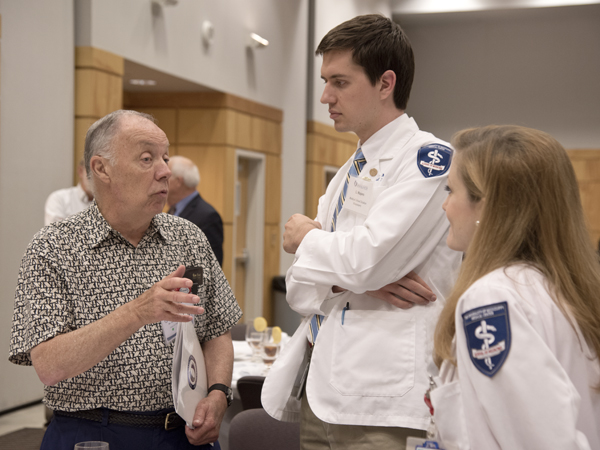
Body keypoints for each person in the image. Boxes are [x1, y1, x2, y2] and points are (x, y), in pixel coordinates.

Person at [261, 14, 462, 449]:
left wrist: (307, 239)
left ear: (385, 83)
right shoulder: (347, 172)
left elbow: (368, 260)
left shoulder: (428, 159)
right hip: (324, 387)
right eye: (324, 81)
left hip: (384, 399)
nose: (324, 97)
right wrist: (352, 279)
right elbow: (298, 289)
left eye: (340, 82)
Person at [9, 110, 242, 450]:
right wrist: (137, 312)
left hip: (184, 434)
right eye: (147, 159)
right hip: (91, 435)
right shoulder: (53, 248)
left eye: (165, 157)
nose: (165, 171)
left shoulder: (188, 238)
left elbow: (217, 329)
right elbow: (49, 365)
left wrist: (219, 393)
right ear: (101, 169)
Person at [430, 125, 600, 449]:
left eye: (451, 191)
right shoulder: (565, 290)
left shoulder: (491, 300)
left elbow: (540, 441)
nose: (445, 206)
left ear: (485, 205)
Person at [167, 155, 224, 266]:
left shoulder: (208, 216)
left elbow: (212, 266)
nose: (161, 181)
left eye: (166, 177)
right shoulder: (171, 210)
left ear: (178, 181)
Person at [44, 159, 94, 225]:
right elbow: (56, 233)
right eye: (93, 171)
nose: (100, 177)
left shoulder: (109, 203)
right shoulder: (59, 199)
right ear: (81, 171)